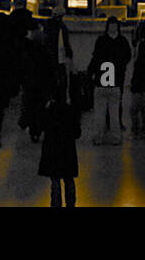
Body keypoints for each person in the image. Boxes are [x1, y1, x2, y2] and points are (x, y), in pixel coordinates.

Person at [39, 75, 81, 207]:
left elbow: (41, 126)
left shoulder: (49, 111)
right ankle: (71, 204)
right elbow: (77, 132)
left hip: (52, 151)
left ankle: (56, 204)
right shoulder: (70, 110)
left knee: (55, 181)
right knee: (69, 180)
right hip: (68, 151)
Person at [88, 16, 131, 144]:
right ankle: (116, 137)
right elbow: (127, 57)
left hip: (101, 81)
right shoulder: (122, 41)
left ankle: (98, 137)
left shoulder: (101, 41)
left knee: (100, 112)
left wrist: (90, 73)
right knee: (114, 111)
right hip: (116, 81)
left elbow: (95, 59)